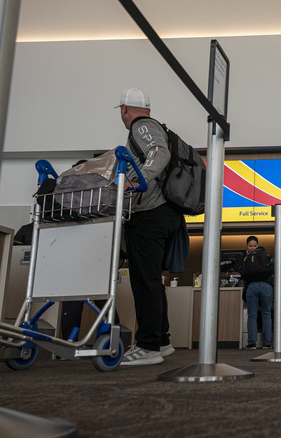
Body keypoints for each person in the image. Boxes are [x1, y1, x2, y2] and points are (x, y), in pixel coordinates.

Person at [116, 88, 182, 365]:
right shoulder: (151, 125)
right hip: (163, 213)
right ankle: (161, 341)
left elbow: (159, 152)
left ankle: (148, 346)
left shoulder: (141, 126)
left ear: (123, 109)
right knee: (151, 279)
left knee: (144, 280)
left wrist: (137, 180)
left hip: (151, 213)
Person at [242, 236, 274, 350]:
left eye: (254, 246)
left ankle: (252, 343)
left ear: (257, 245)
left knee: (252, 315)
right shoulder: (266, 256)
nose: (252, 248)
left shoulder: (246, 258)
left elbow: (243, 274)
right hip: (266, 286)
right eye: (250, 246)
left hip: (252, 286)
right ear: (247, 246)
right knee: (266, 313)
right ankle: (267, 343)